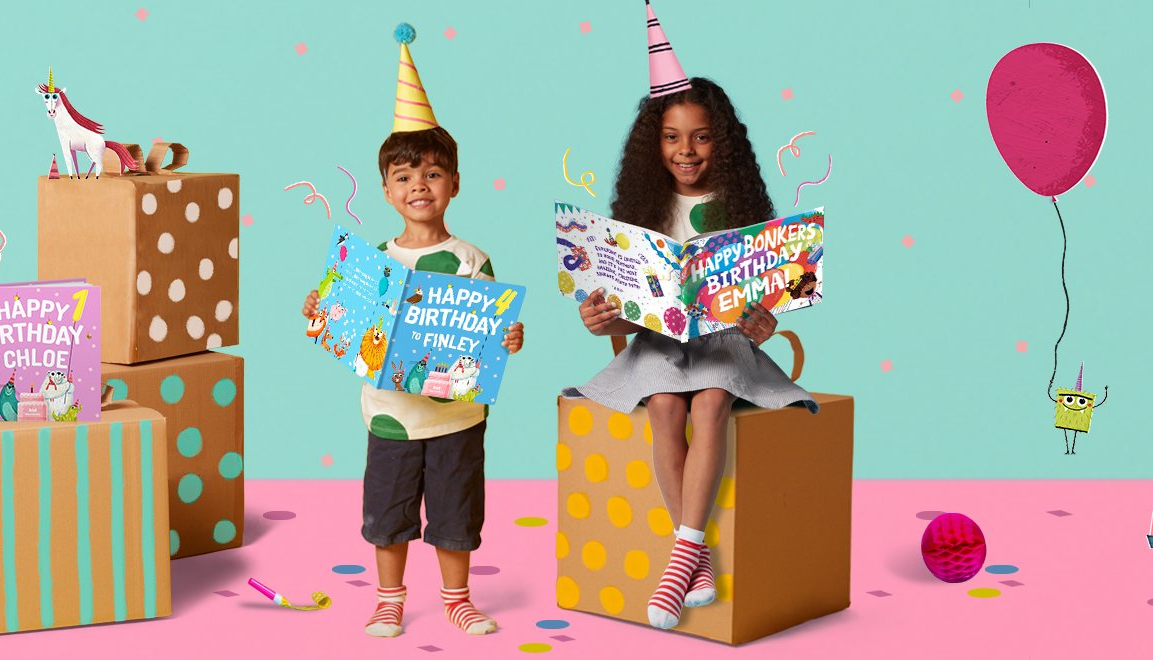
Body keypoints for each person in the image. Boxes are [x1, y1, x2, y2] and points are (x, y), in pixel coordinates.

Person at [565, 3, 821, 630]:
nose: (687, 151)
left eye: (701, 137)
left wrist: (762, 321)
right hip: (658, 345)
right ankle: (696, 555)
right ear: (653, 143)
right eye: (673, 137)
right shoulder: (638, 211)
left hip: (724, 344)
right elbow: (624, 307)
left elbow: (767, 290)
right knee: (663, 406)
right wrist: (602, 320)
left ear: (722, 141)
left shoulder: (740, 203)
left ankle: (679, 555)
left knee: (708, 401)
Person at [302, 25, 525, 638]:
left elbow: (496, 329)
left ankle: (456, 597)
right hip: (389, 414)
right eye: (403, 177)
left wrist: (511, 338)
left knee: (456, 512)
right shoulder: (371, 263)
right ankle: (390, 597)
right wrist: (324, 313)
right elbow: (347, 330)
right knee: (388, 514)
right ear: (385, 190)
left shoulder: (472, 259)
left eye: (431, 174)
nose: (418, 186)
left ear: (454, 183)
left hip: (457, 417)